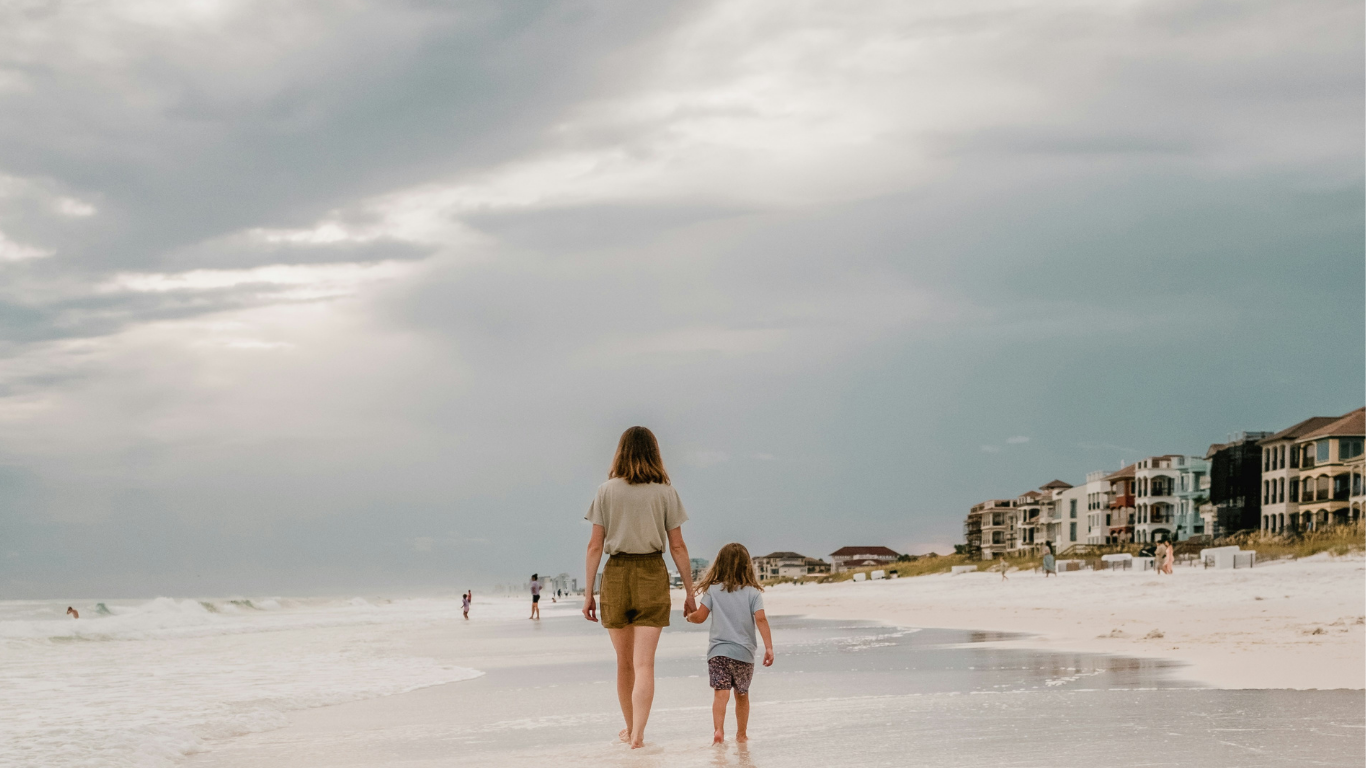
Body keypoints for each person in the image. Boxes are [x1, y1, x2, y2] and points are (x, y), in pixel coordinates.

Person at [582, 426, 696, 749]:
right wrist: (690, 592)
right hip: (651, 573)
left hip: (615, 575)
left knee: (624, 662)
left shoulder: (605, 491)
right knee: (645, 663)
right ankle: (638, 734)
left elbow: (594, 546)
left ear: (621, 452)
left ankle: (630, 727)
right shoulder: (665, 492)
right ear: (654, 452)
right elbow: (678, 547)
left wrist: (589, 592)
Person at [686, 543, 774, 745]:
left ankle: (718, 731)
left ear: (720, 564)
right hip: (744, 653)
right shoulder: (753, 593)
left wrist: (689, 617)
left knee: (720, 692)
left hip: (718, 652)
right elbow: (761, 619)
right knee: (742, 694)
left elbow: (700, 617)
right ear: (746, 566)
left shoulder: (713, 591)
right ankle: (741, 735)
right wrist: (769, 647)